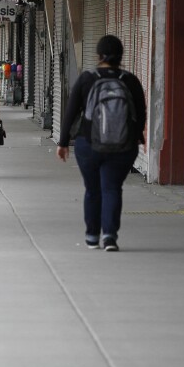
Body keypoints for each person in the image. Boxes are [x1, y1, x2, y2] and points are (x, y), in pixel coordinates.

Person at [56, 35, 147, 252]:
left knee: (92, 190)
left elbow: (70, 112)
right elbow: (140, 114)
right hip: (123, 146)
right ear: (121, 56)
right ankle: (110, 237)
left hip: (89, 144)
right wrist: (138, 138)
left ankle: (91, 236)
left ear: (98, 56)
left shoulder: (88, 78)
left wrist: (63, 142)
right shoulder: (130, 80)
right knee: (112, 188)